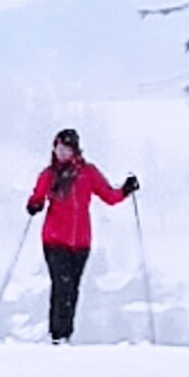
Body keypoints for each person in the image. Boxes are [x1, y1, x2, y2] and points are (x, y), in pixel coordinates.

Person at [26, 127, 138, 343]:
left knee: (73, 288)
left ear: (75, 150)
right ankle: (58, 334)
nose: (62, 153)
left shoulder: (88, 173)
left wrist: (125, 190)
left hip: (81, 242)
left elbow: (109, 196)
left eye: (66, 149)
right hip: (54, 239)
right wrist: (34, 205)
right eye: (59, 148)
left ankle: (65, 334)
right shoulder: (49, 175)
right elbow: (36, 197)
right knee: (62, 285)